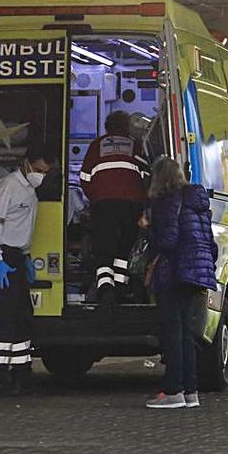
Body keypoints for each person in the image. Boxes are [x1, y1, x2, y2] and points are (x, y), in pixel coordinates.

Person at [144, 157, 218, 409]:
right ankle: (191, 392)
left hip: (174, 273)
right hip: (198, 272)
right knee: (188, 334)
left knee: (173, 333)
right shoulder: (198, 202)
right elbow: (211, 244)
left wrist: (148, 228)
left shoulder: (167, 202)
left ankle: (173, 390)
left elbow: (167, 240)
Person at [0, 147, 54, 395]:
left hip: (17, 256)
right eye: (39, 170)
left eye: (45, 172)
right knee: (4, 317)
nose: (41, 176)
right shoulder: (8, 186)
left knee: (23, 316)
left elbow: (21, 226)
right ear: (26, 164)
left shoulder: (30, 190)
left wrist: (26, 255)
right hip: (2, 256)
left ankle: (22, 373)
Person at [80, 111, 151, 307]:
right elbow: (146, 176)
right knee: (124, 248)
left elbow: (85, 178)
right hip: (131, 205)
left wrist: (95, 197)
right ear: (127, 126)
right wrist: (143, 202)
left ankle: (105, 288)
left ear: (107, 126)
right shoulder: (135, 145)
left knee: (103, 249)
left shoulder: (96, 145)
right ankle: (120, 289)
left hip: (103, 205)